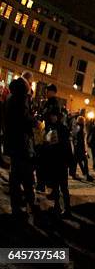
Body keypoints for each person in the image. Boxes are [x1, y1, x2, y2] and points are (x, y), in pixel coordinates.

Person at [4, 73, 38, 219]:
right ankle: (24, 205)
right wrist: (34, 122)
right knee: (23, 175)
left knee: (16, 175)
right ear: (28, 83)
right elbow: (23, 119)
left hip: (12, 141)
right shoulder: (22, 95)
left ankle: (18, 205)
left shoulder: (11, 95)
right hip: (20, 142)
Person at [43, 110, 73, 217]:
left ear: (58, 117)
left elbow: (56, 146)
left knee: (61, 187)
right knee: (58, 187)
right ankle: (59, 207)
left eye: (53, 116)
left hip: (59, 162)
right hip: (59, 162)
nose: (52, 118)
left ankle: (65, 208)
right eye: (51, 116)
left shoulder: (58, 129)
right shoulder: (56, 128)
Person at [72, 116, 94, 181]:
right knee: (84, 161)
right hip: (80, 148)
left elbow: (74, 137)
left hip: (77, 148)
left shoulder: (76, 127)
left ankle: (78, 174)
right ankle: (86, 175)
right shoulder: (80, 128)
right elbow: (81, 139)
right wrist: (84, 150)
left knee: (78, 161)